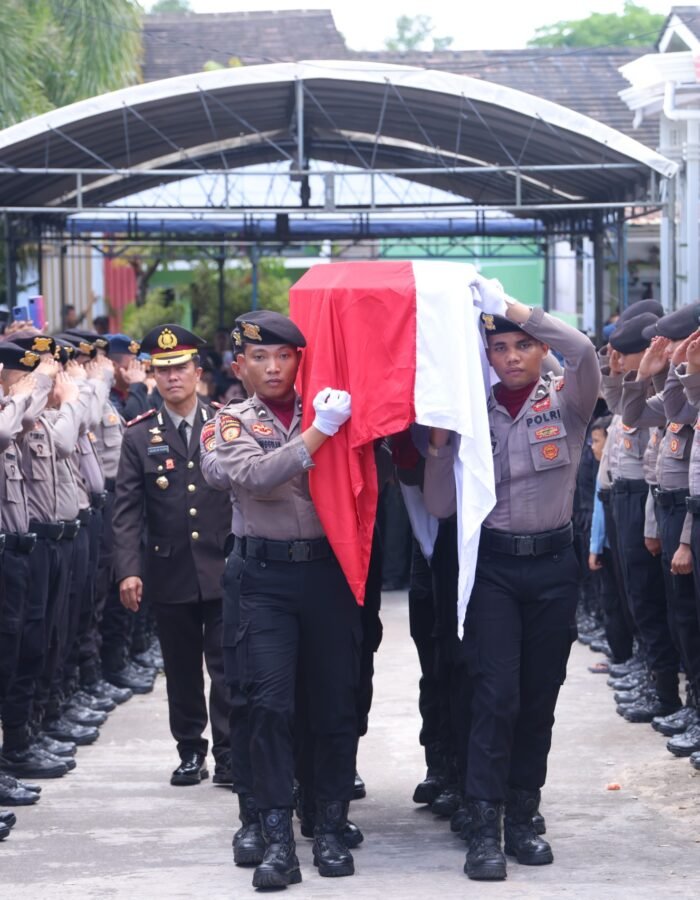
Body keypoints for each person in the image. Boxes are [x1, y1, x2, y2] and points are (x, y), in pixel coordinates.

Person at [424, 298, 599, 881]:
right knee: (494, 696)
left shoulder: (567, 402)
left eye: (523, 345)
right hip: (493, 569)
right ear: (487, 356)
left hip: (552, 567)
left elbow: (585, 352)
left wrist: (518, 311)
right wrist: (440, 445)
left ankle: (523, 816)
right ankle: (484, 824)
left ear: (541, 348)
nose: (512, 357)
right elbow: (440, 506)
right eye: (499, 348)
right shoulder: (474, 414)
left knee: (538, 696)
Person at [211, 310, 358, 889]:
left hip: (327, 573)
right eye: (260, 357)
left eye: (285, 356)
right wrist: (322, 430)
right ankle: (276, 837)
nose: (274, 367)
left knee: (334, 706)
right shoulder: (230, 421)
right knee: (269, 707)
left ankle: (329, 825)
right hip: (264, 578)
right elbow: (255, 475)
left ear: (300, 360)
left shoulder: (327, 405)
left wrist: (329, 419)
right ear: (239, 367)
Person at [112, 324, 233, 787]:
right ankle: (190, 750)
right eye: (162, 370)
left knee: (226, 666)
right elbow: (127, 510)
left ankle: (228, 752)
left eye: (180, 368)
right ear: (153, 376)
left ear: (198, 372)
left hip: (222, 564)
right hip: (170, 568)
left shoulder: (224, 424)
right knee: (181, 668)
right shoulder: (140, 435)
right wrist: (128, 569)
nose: (172, 377)